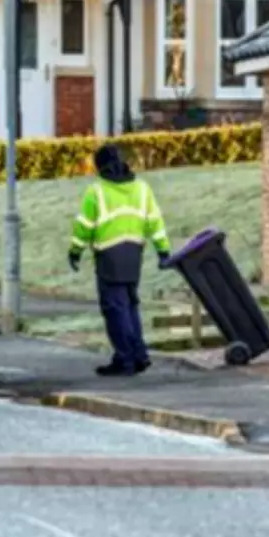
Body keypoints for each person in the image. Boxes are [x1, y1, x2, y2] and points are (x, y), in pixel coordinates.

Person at [68, 144, 171, 377]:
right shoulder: (142, 189)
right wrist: (163, 250)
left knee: (115, 309)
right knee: (130, 306)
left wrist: (75, 251)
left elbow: (84, 226)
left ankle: (125, 359)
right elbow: (155, 221)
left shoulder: (96, 191)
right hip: (134, 253)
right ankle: (139, 354)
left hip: (108, 255)